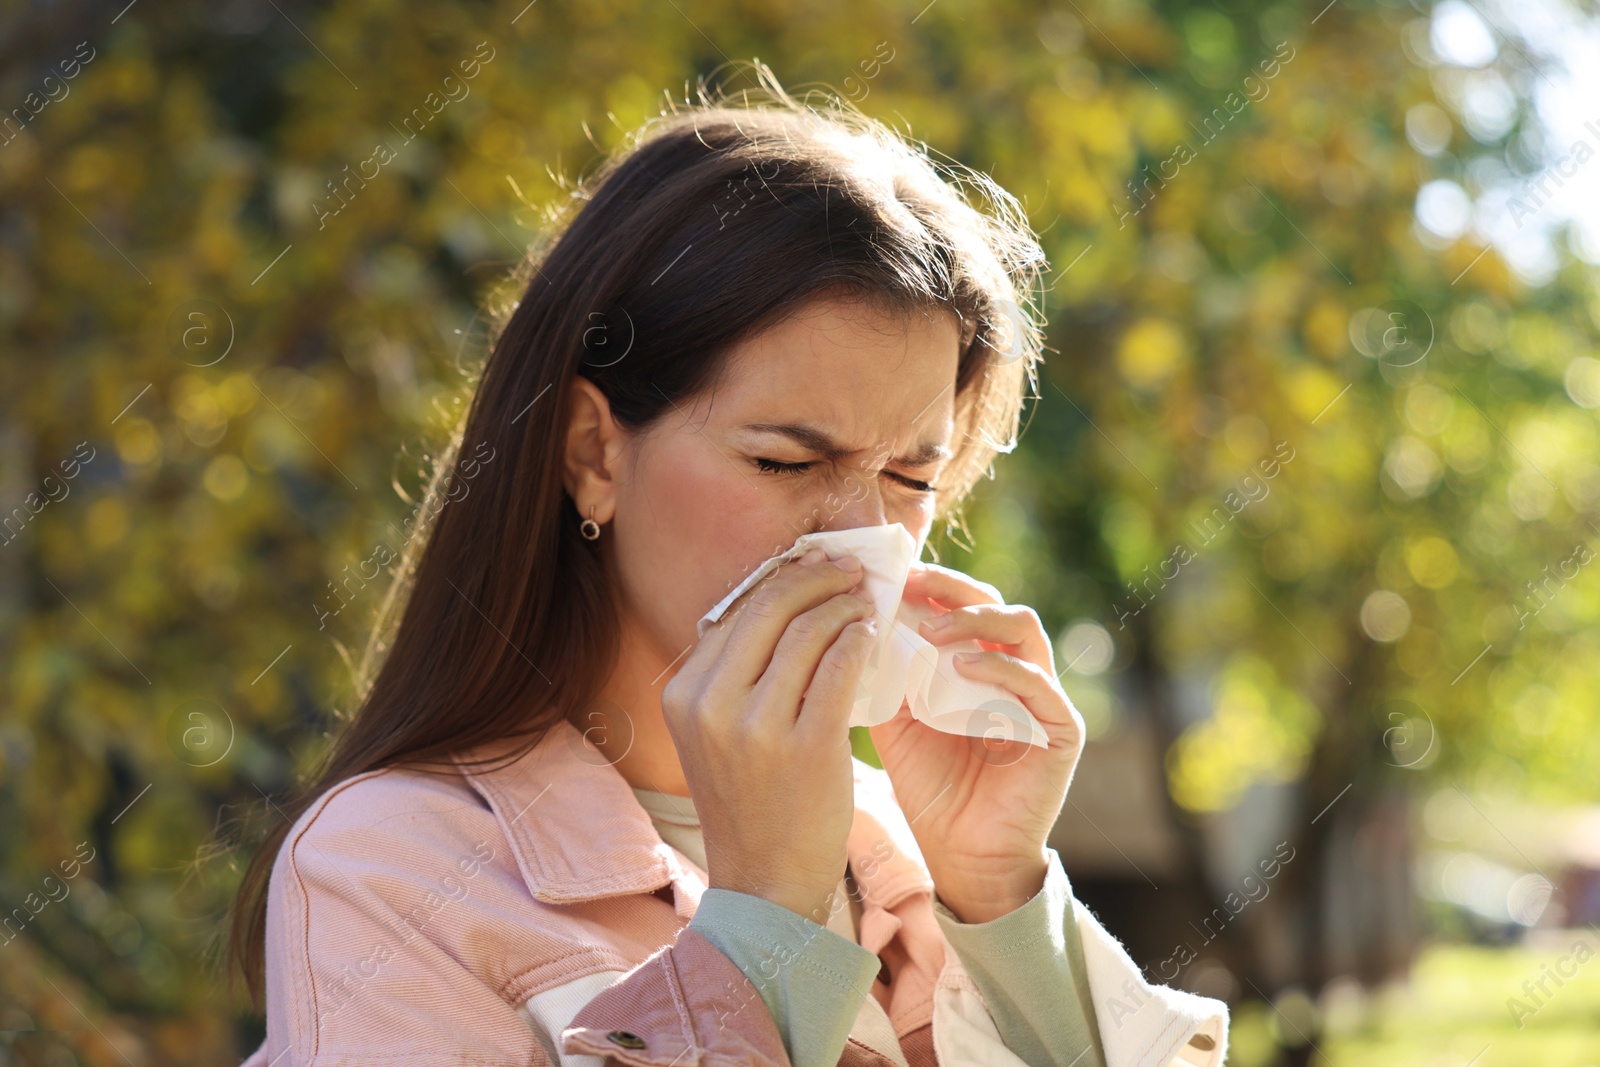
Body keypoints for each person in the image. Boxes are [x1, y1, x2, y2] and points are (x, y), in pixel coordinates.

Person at [230, 61, 1228, 1067]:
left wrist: (1000, 896)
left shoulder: (903, 852)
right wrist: (764, 916)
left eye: (911, 478)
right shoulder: (391, 867)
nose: (854, 535)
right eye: (784, 460)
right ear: (593, 451)